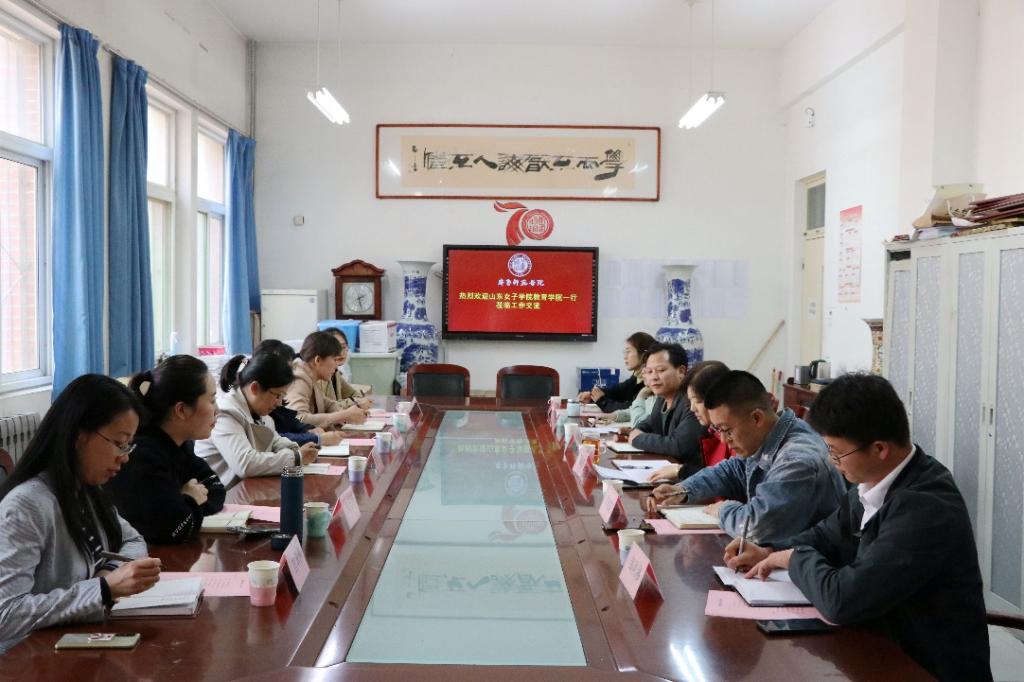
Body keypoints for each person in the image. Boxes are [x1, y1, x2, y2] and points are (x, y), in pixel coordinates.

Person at [726, 373, 990, 682]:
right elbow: (825, 535)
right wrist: (769, 551)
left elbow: (842, 600)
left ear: (879, 449)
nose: (832, 461)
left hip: (926, 667)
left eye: (837, 452)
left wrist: (794, 558)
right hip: (876, 647)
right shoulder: (873, 481)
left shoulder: (926, 507)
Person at [0, 375, 161, 653]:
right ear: (78, 436)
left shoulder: (84, 489)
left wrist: (109, 574)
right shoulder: (27, 506)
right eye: (119, 443)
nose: (125, 457)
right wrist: (103, 589)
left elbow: (133, 541)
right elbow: (6, 614)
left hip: (71, 642)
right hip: (27, 658)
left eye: (128, 446)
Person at [645, 370, 844, 547]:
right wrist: (683, 490)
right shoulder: (768, 436)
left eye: (726, 430)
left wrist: (724, 509)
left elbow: (755, 527)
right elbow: (732, 470)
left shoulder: (796, 460)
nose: (723, 439)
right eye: (718, 430)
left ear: (756, 418)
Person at [107, 355, 227, 544]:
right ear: (181, 410)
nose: (217, 410)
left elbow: (216, 490)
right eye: (212, 401)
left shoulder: (180, 445)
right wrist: (190, 500)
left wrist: (184, 503)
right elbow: (173, 528)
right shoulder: (142, 456)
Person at [195, 353, 319, 488]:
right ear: (255, 388)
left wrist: (295, 450)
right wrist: (296, 457)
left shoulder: (260, 412)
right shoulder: (225, 413)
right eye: (277, 395)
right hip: (223, 494)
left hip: (245, 489)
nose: (279, 403)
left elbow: (275, 441)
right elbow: (246, 464)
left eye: (282, 396)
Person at [627, 343, 704, 476]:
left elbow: (679, 446)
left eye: (661, 370)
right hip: (666, 472)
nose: (654, 377)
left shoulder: (691, 402)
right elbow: (647, 425)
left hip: (688, 477)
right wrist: (635, 432)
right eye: (649, 372)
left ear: (681, 371)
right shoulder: (662, 399)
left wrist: (637, 438)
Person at [646, 361, 730, 482]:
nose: (692, 408)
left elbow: (728, 480)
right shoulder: (712, 429)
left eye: (698, 401)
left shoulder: (737, 434)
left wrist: (681, 471)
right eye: (649, 371)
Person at [253, 339, 342, 447]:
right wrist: (317, 438)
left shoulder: (272, 397)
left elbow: (287, 419)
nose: (291, 375)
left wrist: (308, 429)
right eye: (286, 371)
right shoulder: (299, 379)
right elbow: (273, 438)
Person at [285, 331, 369, 429]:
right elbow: (298, 419)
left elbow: (328, 404)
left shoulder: (311, 376)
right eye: (334, 360)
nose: (336, 365)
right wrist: (343, 415)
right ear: (318, 360)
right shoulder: (300, 379)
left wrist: (349, 414)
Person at [578, 331, 657, 412]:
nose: (625, 357)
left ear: (644, 354)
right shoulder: (637, 375)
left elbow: (630, 408)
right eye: (625, 352)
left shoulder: (651, 381)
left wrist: (602, 401)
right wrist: (593, 395)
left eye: (628, 352)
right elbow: (619, 391)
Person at [320, 327, 371, 404]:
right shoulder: (319, 377)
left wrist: (359, 400)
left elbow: (354, 394)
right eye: (336, 348)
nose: (341, 352)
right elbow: (328, 407)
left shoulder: (335, 373)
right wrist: (356, 402)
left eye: (343, 347)